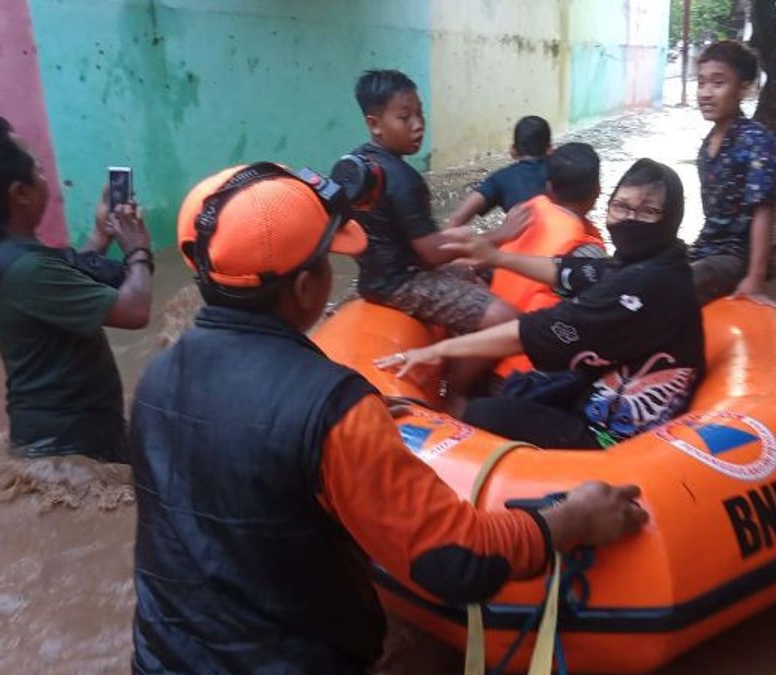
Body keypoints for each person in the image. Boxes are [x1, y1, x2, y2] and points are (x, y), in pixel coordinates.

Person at [129, 161, 649, 674]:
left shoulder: (154, 381)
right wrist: (568, 520)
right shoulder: (334, 410)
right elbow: (456, 561)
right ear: (309, 286)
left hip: (159, 657)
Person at [378, 159, 705, 449]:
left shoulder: (649, 283)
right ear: (599, 199)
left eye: (647, 211)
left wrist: (434, 352)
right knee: (519, 391)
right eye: (620, 206)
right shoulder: (642, 262)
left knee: (478, 412)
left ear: (671, 217)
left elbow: (540, 330)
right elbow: (571, 271)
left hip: (611, 434)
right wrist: (497, 257)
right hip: (590, 390)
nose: (629, 219)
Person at [0, 115, 153, 463]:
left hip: (44, 434)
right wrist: (138, 249)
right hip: (76, 446)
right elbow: (135, 311)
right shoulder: (28, 270)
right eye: (38, 170)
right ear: (20, 193)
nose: (45, 177)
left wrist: (99, 236)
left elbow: (56, 282)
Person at [349, 69, 517, 336]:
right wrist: (500, 234)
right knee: (506, 318)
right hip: (401, 283)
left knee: (477, 272)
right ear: (374, 124)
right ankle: (452, 380)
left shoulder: (356, 162)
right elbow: (433, 254)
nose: (418, 125)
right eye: (405, 117)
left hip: (374, 278)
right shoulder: (404, 180)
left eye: (420, 113)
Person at [688, 40, 776, 304]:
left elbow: (764, 210)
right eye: (701, 82)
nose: (705, 93)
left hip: (734, 257)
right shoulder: (708, 144)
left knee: (674, 283)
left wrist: (755, 278)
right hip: (706, 249)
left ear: (744, 88)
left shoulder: (757, 140)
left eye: (718, 83)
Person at [488, 141, 606, 316]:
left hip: (493, 320)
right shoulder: (589, 252)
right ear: (597, 191)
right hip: (528, 336)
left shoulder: (523, 212)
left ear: (549, 188)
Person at [443, 115, 552, 230]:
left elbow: (456, 220)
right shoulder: (562, 173)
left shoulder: (501, 178)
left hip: (516, 244)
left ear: (513, 151)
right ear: (550, 149)